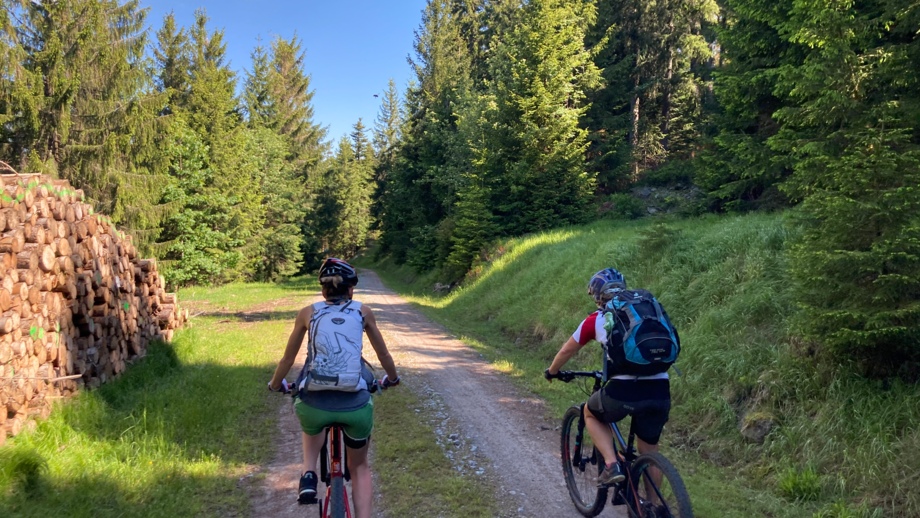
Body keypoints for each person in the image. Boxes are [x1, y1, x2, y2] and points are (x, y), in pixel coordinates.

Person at [268, 258, 400, 518]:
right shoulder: (363, 311)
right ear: (351, 290)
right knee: (360, 467)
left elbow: (287, 359)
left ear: (322, 290)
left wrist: (275, 385)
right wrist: (392, 379)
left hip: (314, 404)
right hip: (355, 406)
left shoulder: (308, 312)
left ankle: (308, 473)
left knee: (310, 418)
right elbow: (383, 354)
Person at [545, 267, 672, 487]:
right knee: (649, 451)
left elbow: (567, 350)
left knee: (590, 413)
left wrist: (552, 371)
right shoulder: (646, 311)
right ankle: (655, 508)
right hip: (660, 387)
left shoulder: (597, 319)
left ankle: (612, 464)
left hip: (623, 391)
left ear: (596, 296)